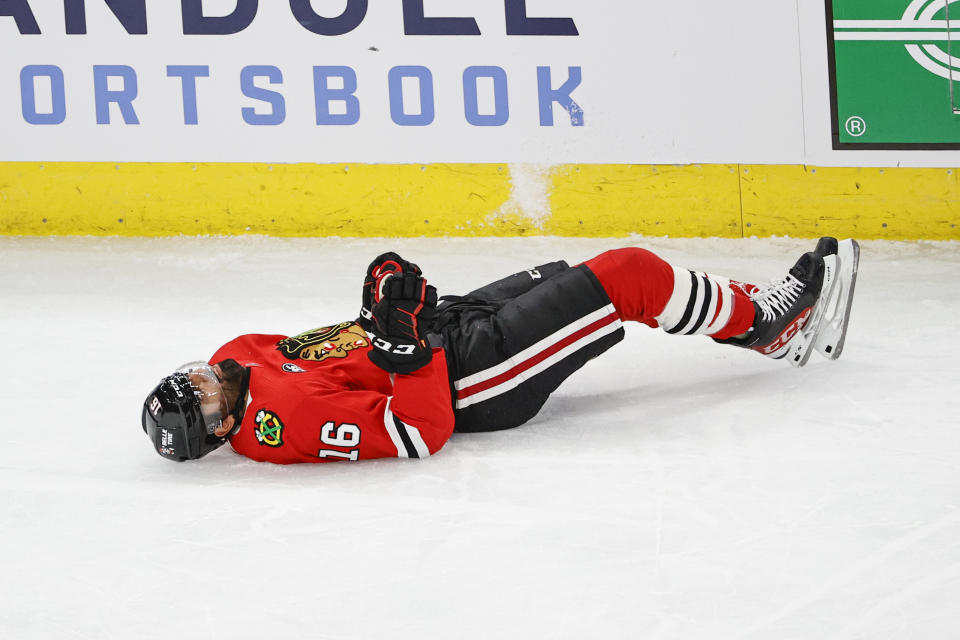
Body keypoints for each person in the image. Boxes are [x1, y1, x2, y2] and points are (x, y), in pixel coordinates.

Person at [142, 238, 860, 463]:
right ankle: (772, 326)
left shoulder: (237, 351)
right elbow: (415, 433)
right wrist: (409, 348)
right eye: (201, 396)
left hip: (446, 331)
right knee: (626, 277)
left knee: (577, 273)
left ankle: (752, 316)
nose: (207, 377)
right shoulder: (283, 426)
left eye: (191, 377)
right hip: (474, 381)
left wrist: (385, 307)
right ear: (222, 430)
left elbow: (341, 346)